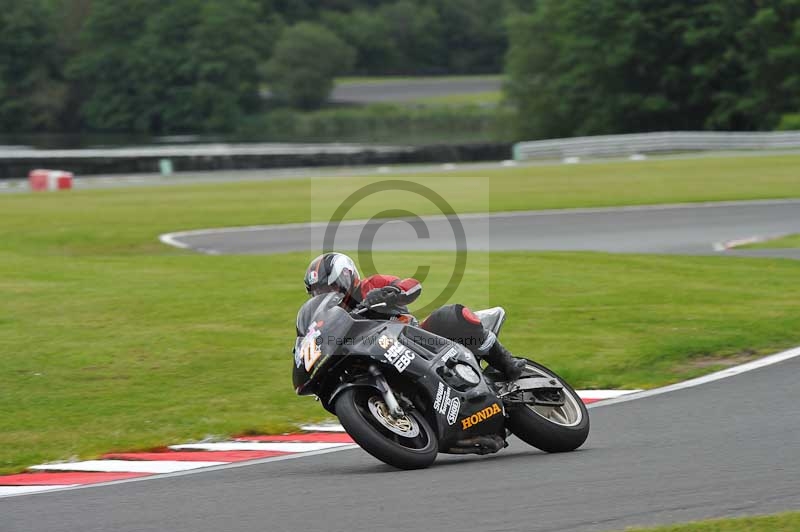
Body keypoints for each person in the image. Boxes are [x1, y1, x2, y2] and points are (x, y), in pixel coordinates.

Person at [303, 252, 526, 380]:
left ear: (346, 276)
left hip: (415, 338)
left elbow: (412, 286)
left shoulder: (371, 285)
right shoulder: (334, 317)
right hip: (377, 358)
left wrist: (392, 292)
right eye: (320, 293)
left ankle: (507, 363)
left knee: (455, 315)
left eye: (330, 288)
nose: (327, 295)